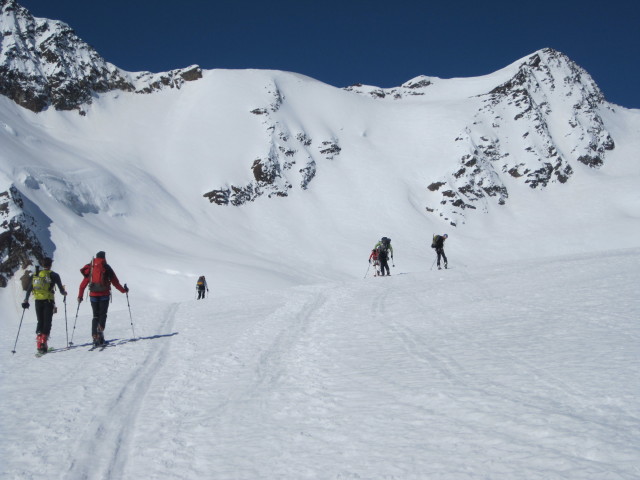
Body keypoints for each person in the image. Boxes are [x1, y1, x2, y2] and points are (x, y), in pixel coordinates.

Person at [78, 251, 128, 346]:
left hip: (93, 295)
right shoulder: (106, 267)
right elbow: (115, 282)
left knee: (95, 315)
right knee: (103, 314)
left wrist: (80, 296)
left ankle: (94, 335)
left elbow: (83, 285)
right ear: (104, 257)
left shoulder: (91, 268)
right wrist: (124, 290)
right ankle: (100, 330)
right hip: (104, 295)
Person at [21, 257, 67, 353]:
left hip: (37, 301)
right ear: (50, 265)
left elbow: (29, 289)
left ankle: (39, 343)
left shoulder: (36, 274)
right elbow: (60, 289)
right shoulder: (54, 275)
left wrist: (26, 300)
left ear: (42, 264)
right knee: (47, 322)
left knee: (40, 321)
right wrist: (64, 293)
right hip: (48, 301)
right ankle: (43, 343)